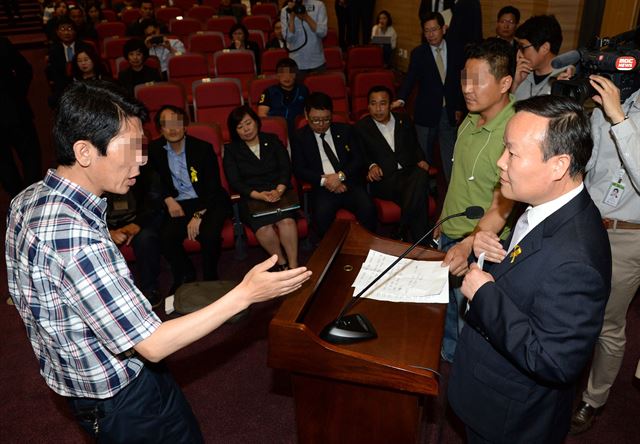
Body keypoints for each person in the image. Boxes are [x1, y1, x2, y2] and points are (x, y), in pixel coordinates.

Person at [5, 80, 311, 443]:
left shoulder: (31, 197)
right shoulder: (74, 236)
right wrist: (244, 293)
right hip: (121, 396)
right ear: (85, 151)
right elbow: (152, 343)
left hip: (106, 376)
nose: (142, 159)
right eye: (130, 148)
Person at [448, 94, 612, 444]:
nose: (499, 162)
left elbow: (554, 359)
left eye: (512, 152)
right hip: (490, 393)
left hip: (511, 421)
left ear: (558, 165)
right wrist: (496, 254)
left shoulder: (577, 258)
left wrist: (484, 294)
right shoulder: (549, 205)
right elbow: (537, 278)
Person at [437, 38, 516, 362]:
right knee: (448, 311)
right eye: (464, 79)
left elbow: (505, 203)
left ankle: (460, 377)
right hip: (452, 233)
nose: (467, 88)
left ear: (505, 83)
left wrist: (467, 244)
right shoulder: (471, 118)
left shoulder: (512, 132)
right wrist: (441, 225)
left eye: (478, 81)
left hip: (480, 245)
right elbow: (458, 181)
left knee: (472, 321)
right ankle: (448, 358)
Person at [568, 75, 640, 435]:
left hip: (628, 237)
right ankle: (564, 379)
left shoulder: (619, 110)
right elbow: (590, 165)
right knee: (572, 308)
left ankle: (593, 399)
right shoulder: (604, 101)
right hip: (588, 226)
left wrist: (619, 119)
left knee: (608, 324)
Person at [148, 105, 232, 294]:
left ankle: (210, 275)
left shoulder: (203, 148)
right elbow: (152, 182)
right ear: (160, 129)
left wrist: (197, 215)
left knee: (209, 235)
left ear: (185, 126)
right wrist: (168, 199)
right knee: (166, 237)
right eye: (166, 125)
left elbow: (212, 186)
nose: (172, 129)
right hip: (178, 203)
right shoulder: (154, 150)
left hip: (208, 201)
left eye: (176, 124)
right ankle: (185, 273)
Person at [392, 12, 465, 183]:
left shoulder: (457, 50)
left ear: (443, 29)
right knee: (423, 155)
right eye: (427, 31)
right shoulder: (419, 53)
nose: (431, 34)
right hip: (425, 112)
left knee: (449, 154)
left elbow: (465, 80)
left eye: (434, 30)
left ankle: (451, 188)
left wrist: (460, 107)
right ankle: (425, 187)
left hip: (449, 111)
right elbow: (410, 78)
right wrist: (401, 98)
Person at [224, 105, 299, 270]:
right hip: (253, 197)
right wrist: (259, 195)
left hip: (279, 191)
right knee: (264, 229)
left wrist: (279, 190)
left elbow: (286, 167)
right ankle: (282, 263)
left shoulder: (272, 140)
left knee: (286, 222)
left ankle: (294, 265)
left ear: (256, 122)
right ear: (235, 131)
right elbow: (234, 180)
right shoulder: (231, 150)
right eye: (240, 127)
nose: (246, 129)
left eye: (248, 123)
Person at [291, 92, 377, 237]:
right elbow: (299, 169)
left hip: (349, 182)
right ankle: (331, 253)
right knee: (321, 216)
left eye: (326, 120)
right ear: (306, 115)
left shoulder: (345, 130)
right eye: (315, 120)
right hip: (322, 187)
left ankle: (367, 246)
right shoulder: (299, 137)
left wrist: (340, 176)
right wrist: (327, 181)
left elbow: (358, 159)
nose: (321, 125)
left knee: (368, 208)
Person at [354, 85, 431, 242]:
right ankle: (421, 241)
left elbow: (415, 144)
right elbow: (359, 156)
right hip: (385, 180)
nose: (378, 109)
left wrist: (421, 158)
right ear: (368, 106)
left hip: (409, 174)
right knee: (419, 188)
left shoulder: (404, 120)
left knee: (418, 179)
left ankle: (403, 231)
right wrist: (371, 166)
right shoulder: (361, 128)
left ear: (390, 105)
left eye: (382, 103)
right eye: (373, 103)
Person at [106, 164, 164, 307]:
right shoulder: (96, 172)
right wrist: (107, 232)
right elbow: (87, 212)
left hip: (137, 220)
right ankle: (110, 298)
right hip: (107, 225)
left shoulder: (143, 171)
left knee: (146, 238)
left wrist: (137, 224)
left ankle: (150, 289)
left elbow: (154, 203)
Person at [0, 36, 42, 197]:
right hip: (16, 110)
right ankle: (32, 199)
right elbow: (25, 69)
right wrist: (17, 94)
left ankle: (18, 201)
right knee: (29, 157)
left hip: (16, 112)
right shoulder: (2, 42)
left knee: (6, 164)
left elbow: (25, 69)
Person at [512, 15, 565, 100]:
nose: (519, 54)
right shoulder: (521, 75)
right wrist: (515, 84)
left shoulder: (564, 79)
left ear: (545, 48)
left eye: (523, 47)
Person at [257, 57, 309, 139]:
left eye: (291, 73)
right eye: (282, 73)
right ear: (277, 75)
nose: (287, 77)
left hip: (298, 132)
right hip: (275, 131)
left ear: (296, 75)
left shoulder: (303, 90)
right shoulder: (269, 92)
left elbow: (308, 112)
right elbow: (262, 115)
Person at [45, 17, 91, 107]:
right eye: (63, 29)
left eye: (70, 29)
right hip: (64, 87)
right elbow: (56, 75)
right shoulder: (53, 51)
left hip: (85, 85)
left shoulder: (85, 47)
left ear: (75, 31)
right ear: (57, 32)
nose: (66, 32)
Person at [280, 0, 327, 77]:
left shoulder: (318, 5)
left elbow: (323, 33)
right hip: (297, 63)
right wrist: (292, 17)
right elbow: (288, 39)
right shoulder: (285, 10)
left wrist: (306, 17)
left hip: (317, 62)